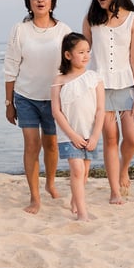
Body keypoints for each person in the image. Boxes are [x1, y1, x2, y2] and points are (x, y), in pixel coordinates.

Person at [4, 0, 72, 214]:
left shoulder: (64, 31)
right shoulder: (20, 30)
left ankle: (50, 182)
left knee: (51, 145)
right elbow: (11, 65)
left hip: (55, 98)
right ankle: (34, 197)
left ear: (52, 0)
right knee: (32, 145)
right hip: (26, 96)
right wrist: (8, 102)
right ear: (28, 2)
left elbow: (72, 66)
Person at [82, 0, 134, 204]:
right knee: (110, 139)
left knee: (132, 137)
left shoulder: (133, 19)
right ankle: (114, 191)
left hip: (126, 85)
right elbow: (83, 54)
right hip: (100, 87)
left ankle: (124, 168)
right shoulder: (91, 19)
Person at [50, 33, 105, 221]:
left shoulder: (94, 78)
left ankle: (76, 200)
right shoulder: (59, 80)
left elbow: (100, 110)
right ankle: (82, 213)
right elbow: (56, 111)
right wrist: (72, 135)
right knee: (77, 170)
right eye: (80, 52)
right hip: (69, 135)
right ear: (68, 55)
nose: (86, 56)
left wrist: (95, 136)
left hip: (90, 134)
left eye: (87, 51)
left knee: (85, 172)